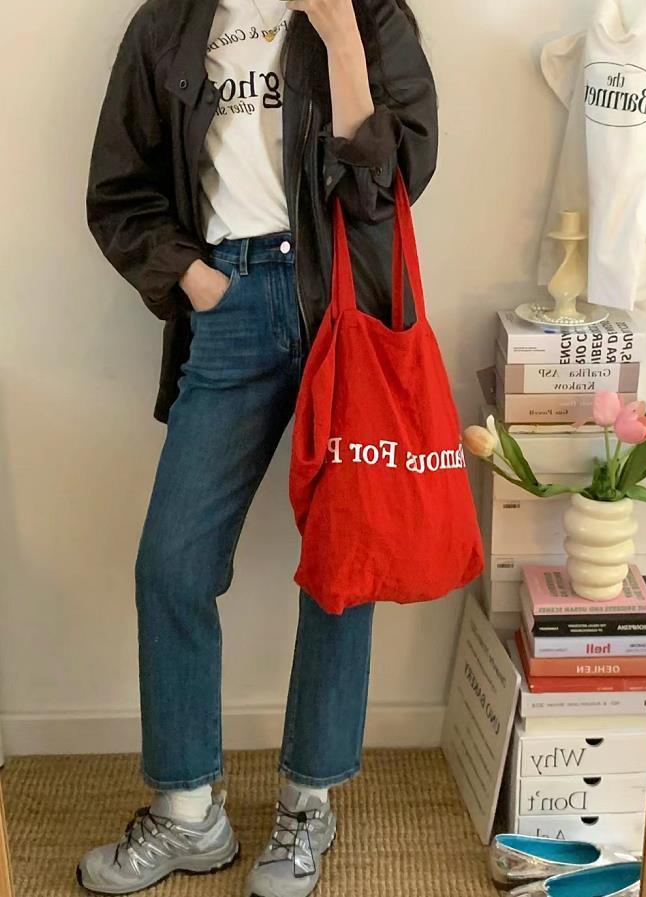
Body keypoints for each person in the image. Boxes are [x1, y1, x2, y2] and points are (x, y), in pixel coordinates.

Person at [78, 0, 438, 893]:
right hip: (229, 302)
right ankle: (186, 813)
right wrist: (194, 278)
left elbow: (391, 183)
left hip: (340, 309)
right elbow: (119, 188)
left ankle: (307, 802)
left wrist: (341, 37)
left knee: (342, 559)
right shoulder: (167, 24)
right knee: (173, 563)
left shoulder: (369, 12)